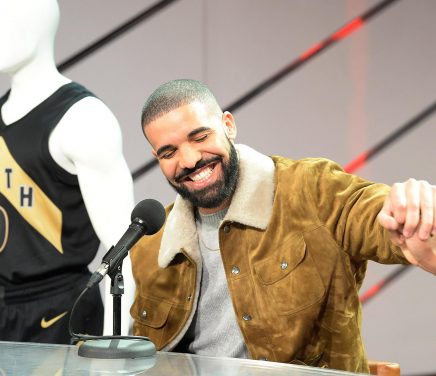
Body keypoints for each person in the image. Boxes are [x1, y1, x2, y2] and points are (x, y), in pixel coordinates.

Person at [130, 79, 436, 373]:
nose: (189, 159)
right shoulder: (149, 244)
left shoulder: (313, 189)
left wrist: (413, 212)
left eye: (200, 137)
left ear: (228, 125)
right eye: (169, 152)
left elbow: (372, 211)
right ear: (156, 157)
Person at [0, 0, 135, 343]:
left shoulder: (83, 119)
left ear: (40, 24)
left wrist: (113, 349)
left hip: (63, 315)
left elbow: (124, 251)